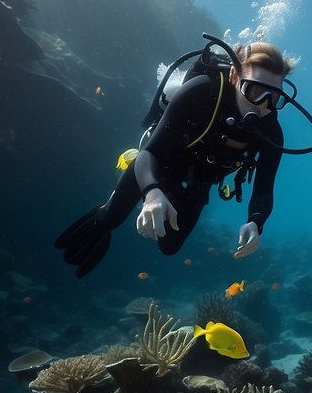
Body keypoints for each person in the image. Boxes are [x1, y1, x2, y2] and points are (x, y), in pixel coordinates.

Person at [56, 41, 297, 278]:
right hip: (160, 162)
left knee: (169, 246)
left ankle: (159, 196)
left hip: (200, 182)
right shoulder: (201, 90)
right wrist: (152, 193)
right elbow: (151, 152)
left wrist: (255, 222)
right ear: (234, 76)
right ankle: (107, 213)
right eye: (255, 91)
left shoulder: (271, 131)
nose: (264, 105)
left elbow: (264, 189)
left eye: (274, 97)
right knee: (111, 218)